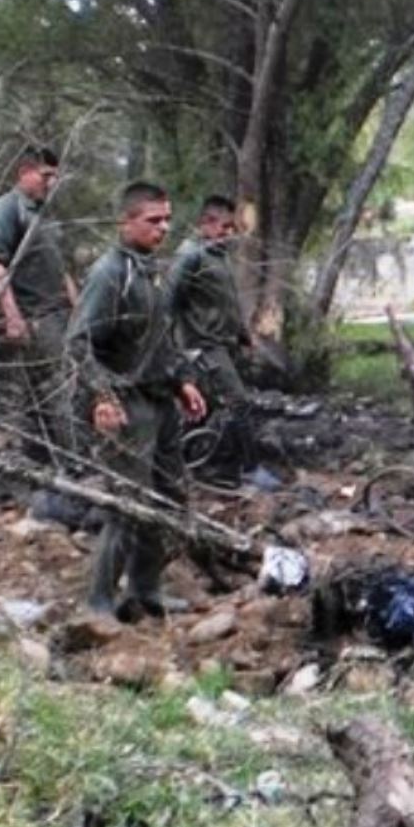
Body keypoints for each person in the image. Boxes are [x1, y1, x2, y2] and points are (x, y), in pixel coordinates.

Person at [67, 182, 207, 622]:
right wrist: (102, 396)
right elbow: (78, 342)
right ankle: (99, 602)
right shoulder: (111, 273)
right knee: (126, 505)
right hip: (126, 405)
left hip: (160, 401)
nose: (163, 228)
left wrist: (183, 379)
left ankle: (146, 590)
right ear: (125, 222)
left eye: (167, 219)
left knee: (167, 497)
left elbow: (164, 336)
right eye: (152, 220)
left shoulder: (154, 269)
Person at [0, 145, 78, 464]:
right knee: (57, 389)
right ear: (24, 173)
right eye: (46, 176)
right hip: (36, 316)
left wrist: (79, 311)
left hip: (60, 314)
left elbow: (61, 269)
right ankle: (73, 466)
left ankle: (40, 464)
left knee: (40, 391)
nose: (51, 183)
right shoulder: (7, 209)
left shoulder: (43, 214)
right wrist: (13, 317)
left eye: (55, 177)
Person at [167, 195, 255, 480]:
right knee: (237, 403)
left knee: (202, 409)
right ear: (205, 223)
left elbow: (225, 301)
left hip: (224, 344)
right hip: (202, 346)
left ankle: (188, 465)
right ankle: (241, 470)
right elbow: (167, 300)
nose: (229, 233)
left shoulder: (217, 255)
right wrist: (172, 348)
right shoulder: (189, 255)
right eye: (225, 227)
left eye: (232, 227)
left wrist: (243, 335)